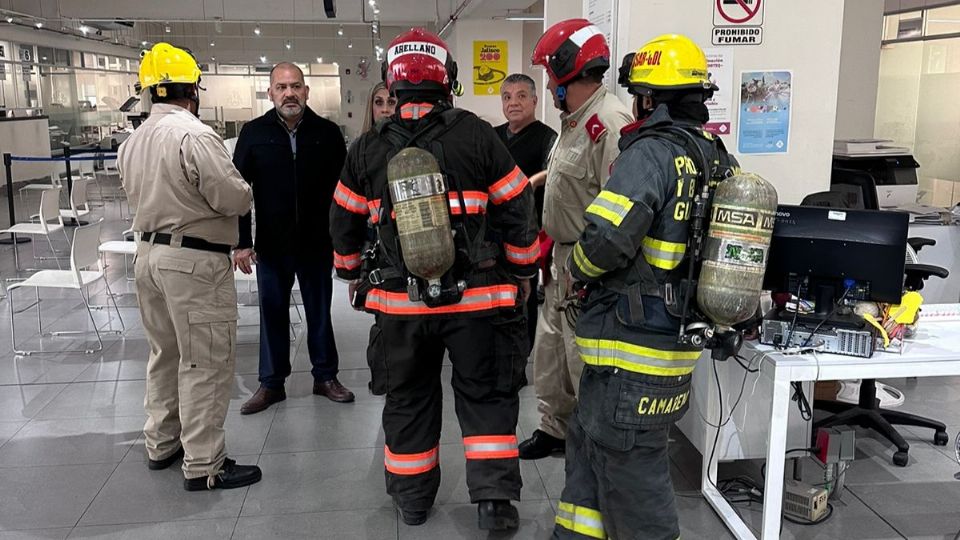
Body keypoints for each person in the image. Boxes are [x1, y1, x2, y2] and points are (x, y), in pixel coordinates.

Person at [330, 28, 539, 530]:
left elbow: (343, 221)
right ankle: (494, 502)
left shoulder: (366, 148)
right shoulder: (479, 134)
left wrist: (351, 273)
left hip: (401, 308)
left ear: (392, 84)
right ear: (448, 80)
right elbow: (517, 206)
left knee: (409, 398)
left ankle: (413, 499)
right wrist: (523, 269)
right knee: (486, 398)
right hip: (478, 302)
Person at [553, 34, 740, 539]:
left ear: (649, 99)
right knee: (591, 443)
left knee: (633, 465)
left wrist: (578, 270)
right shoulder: (716, 158)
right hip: (668, 340)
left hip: (633, 343)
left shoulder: (651, 153)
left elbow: (607, 239)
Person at [118, 42, 260, 491]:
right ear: (191, 90)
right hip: (193, 263)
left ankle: (162, 442)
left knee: (165, 354)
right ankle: (204, 464)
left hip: (148, 258)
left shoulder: (133, 141)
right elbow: (233, 197)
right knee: (205, 360)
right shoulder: (194, 135)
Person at [519, 19, 632, 460]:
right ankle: (555, 429)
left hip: (587, 264)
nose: (547, 85)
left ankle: (587, 442)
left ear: (568, 71)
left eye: (549, 75)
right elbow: (576, 171)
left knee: (580, 359)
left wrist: (589, 269)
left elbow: (621, 202)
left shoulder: (610, 122)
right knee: (550, 356)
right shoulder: (575, 121)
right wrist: (539, 179)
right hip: (560, 260)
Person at [233, 62, 354, 415]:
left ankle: (326, 377)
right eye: (282, 87)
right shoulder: (254, 133)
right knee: (272, 313)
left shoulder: (328, 133)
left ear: (306, 92)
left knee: (319, 312)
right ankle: (271, 384)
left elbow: (345, 193)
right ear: (270, 93)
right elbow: (239, 192)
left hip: (318, 243)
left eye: (296, 86)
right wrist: (242, 241)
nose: (289, 93)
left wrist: (345, 241)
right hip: (272, 245)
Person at [494, 73, 557, 349]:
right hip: (494, 231)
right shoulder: (493, 137)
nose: (514, 103)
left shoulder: (547, 137)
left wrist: (531, 184)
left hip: (529, 230)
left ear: (534, 100)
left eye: (521, 96)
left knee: (524, 294)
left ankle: (520, 357)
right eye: (507, 97)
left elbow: (554, 174)